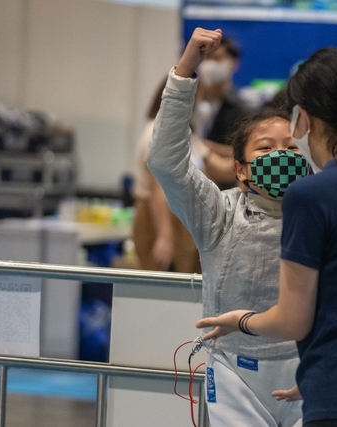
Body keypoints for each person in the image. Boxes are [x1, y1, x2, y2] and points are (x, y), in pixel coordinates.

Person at [197, 47, 337, 427]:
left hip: (336, 400)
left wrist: (242, 320)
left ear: (304, 117)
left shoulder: (310, 196)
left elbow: (293, 321)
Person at [148, 28, 306, 427]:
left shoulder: (322, 214)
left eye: (291, 147)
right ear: (240, 169)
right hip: (236, 371)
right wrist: (185, 71)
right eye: (266, 148)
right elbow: (166, 161)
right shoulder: (218, 213)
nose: (281, 156)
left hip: (307, 366)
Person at [132, 81, 205, 273]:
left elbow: (211, 160)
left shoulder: (182, 132)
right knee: (161, 280)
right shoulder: (157, 132)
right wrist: (165, 235)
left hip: (181, 217)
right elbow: (157, 186)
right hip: (159, 217)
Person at [191, 34, 252, 190]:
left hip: (224, 187)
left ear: (233, 63)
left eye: (217, 58)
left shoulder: (242, 109)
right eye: (207, 58)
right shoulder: (190, 102)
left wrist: (207, 147)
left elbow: (246, 151)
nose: (210, 64)